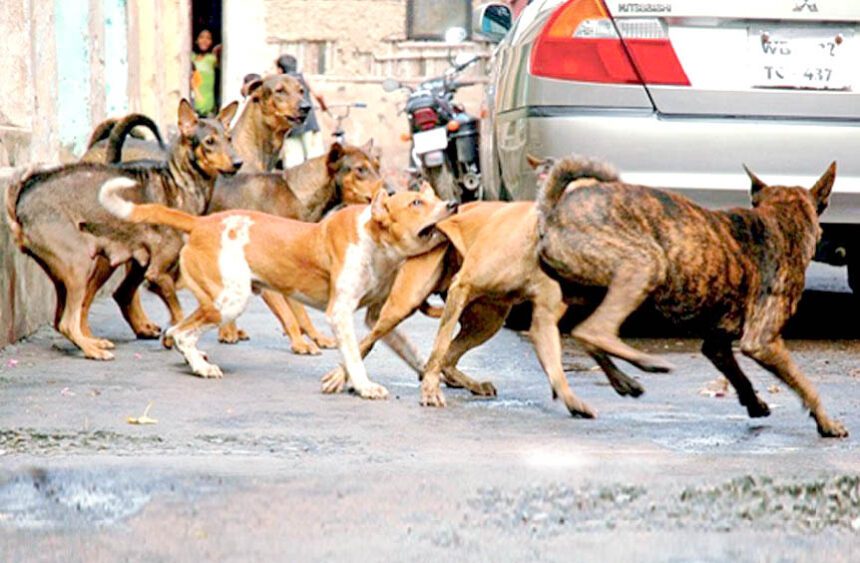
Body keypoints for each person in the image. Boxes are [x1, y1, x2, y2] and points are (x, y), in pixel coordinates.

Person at [276, 54, 327, 167]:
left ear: (280, 70)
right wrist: (324, 107)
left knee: (293, 164)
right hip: (309, 123)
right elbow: (318, 94)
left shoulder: (279, 83)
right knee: (316, 161)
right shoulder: (303, 77)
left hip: (290, 126)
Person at [191, 29, 221, 117]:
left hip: (208, 106)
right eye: (201, 37)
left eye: (208, 38)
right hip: (193, 103)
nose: (204, 41)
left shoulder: (212, 59)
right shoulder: (191, 57)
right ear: (196, 40)